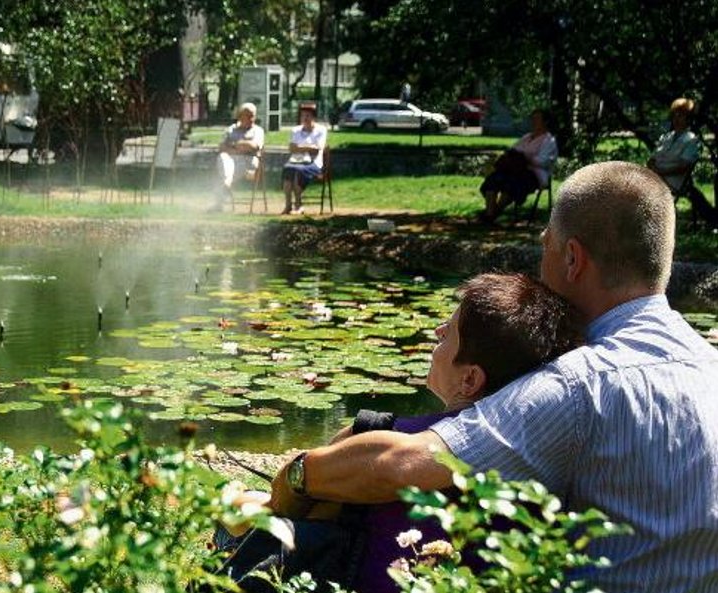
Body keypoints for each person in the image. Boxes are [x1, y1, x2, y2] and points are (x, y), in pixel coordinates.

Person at [269, 161, 718, 593]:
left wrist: (296, 475)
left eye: (545, 247)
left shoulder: (579, 385)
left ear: (572, 259)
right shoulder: (709, 364)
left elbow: (402, 465)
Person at [214, 273, 584, 593]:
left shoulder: (379, 436)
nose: (438, 330)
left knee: (240, 511)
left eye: (450, 332)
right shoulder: (544, 463)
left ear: (469, 379)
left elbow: (291, 506)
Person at [647, 97, 718, 228]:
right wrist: (652, 169)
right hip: (655, 176)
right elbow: (652, 158)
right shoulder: (666, 137)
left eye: (681, 116)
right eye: (675, 115)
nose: (677, 119)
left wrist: (661, 173)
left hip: (673, 180)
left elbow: (685, 167)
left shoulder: (691, 140)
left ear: (689, 119)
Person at [479, 109, 558, 223]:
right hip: (514, 170)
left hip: (534, 173)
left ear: (545, 122)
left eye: (537, 119)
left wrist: (526, 158)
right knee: (493, 180)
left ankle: (493, 214)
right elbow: (513, 150)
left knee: (513, 185)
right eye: (532, 119)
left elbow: (544, 161)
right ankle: (490, 212)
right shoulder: (526, 137)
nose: (533, 122)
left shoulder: (549, 141)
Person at [212, 102, 264, 211]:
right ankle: (227, 182)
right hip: (231, 160)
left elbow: (254, 147)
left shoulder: (258, 130)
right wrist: (240, 147)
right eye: (248, 115)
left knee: (223, 170)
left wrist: (233, 145)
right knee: (223, 157)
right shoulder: (231, 129)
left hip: (248, 163)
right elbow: (221, 147)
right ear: (240, 116)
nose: (251, 118)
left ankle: (223, 193)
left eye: (253, 115)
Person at [281, 102, 327, 215]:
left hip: (314, 162)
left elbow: (317, 149)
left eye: (308, 115)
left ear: (314, 117)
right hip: (295, 160)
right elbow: (291, 148)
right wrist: (306, 148)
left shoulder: (321, 130)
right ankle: (288, 205)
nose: (305, 118)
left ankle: (298, 205)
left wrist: (299, 147)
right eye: (303, 116)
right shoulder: (295, 130)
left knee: (299, 171)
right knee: (287, 169)